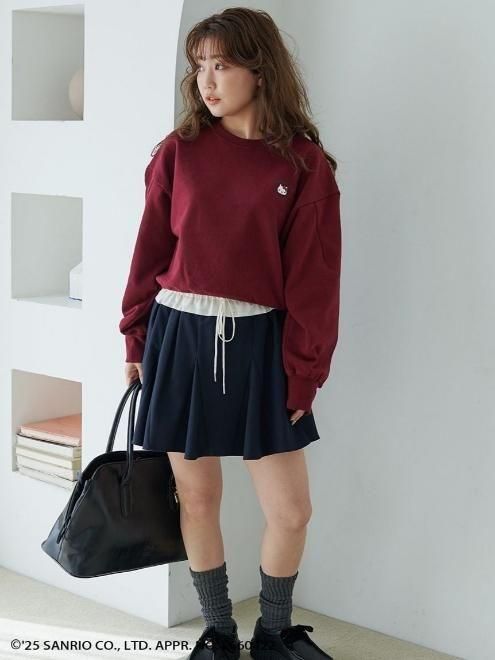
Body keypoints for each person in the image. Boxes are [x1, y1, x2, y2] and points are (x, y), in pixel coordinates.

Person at [119, 7, 341, 660]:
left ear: (259, 70)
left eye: (221, 65)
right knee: (197, 500)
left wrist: (304, 371)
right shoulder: (178, 152)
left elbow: (314, 282)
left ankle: (273, 633)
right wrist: (135, 338)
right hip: (178, 338)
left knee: (291, 510)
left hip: (260, 347)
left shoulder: (303, 165)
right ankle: (217, 633)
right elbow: (148, 254)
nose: (207, 81)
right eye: (199, 67)